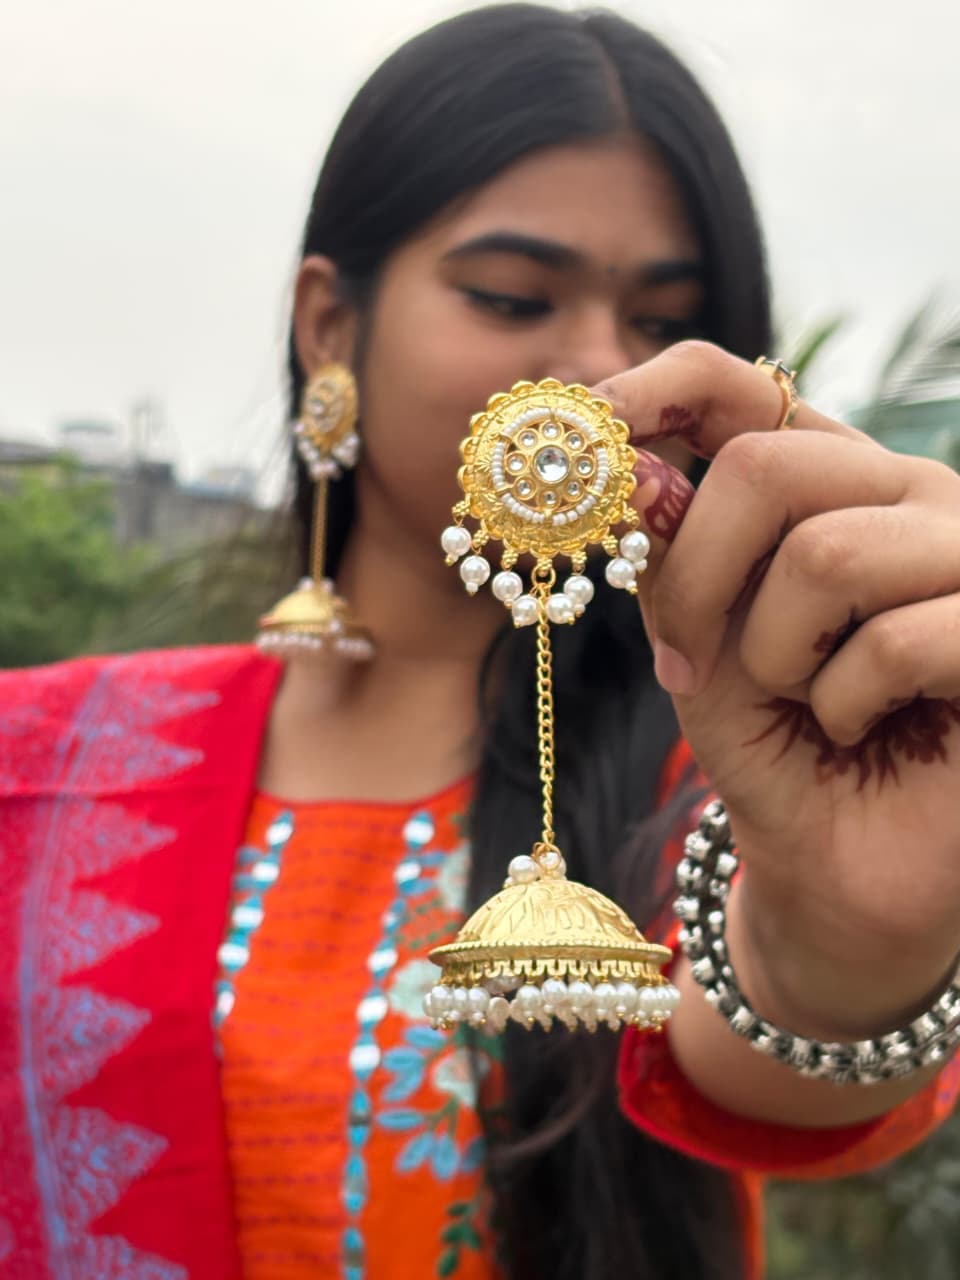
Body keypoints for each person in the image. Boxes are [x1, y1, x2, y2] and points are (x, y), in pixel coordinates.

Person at [3, 5, 959, 1278]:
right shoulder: (38, 759)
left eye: (660, 325)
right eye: (514, 295)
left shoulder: (751, 776)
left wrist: (853, 948)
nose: (592, 375)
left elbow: (774, 1048)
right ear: (329, 326)